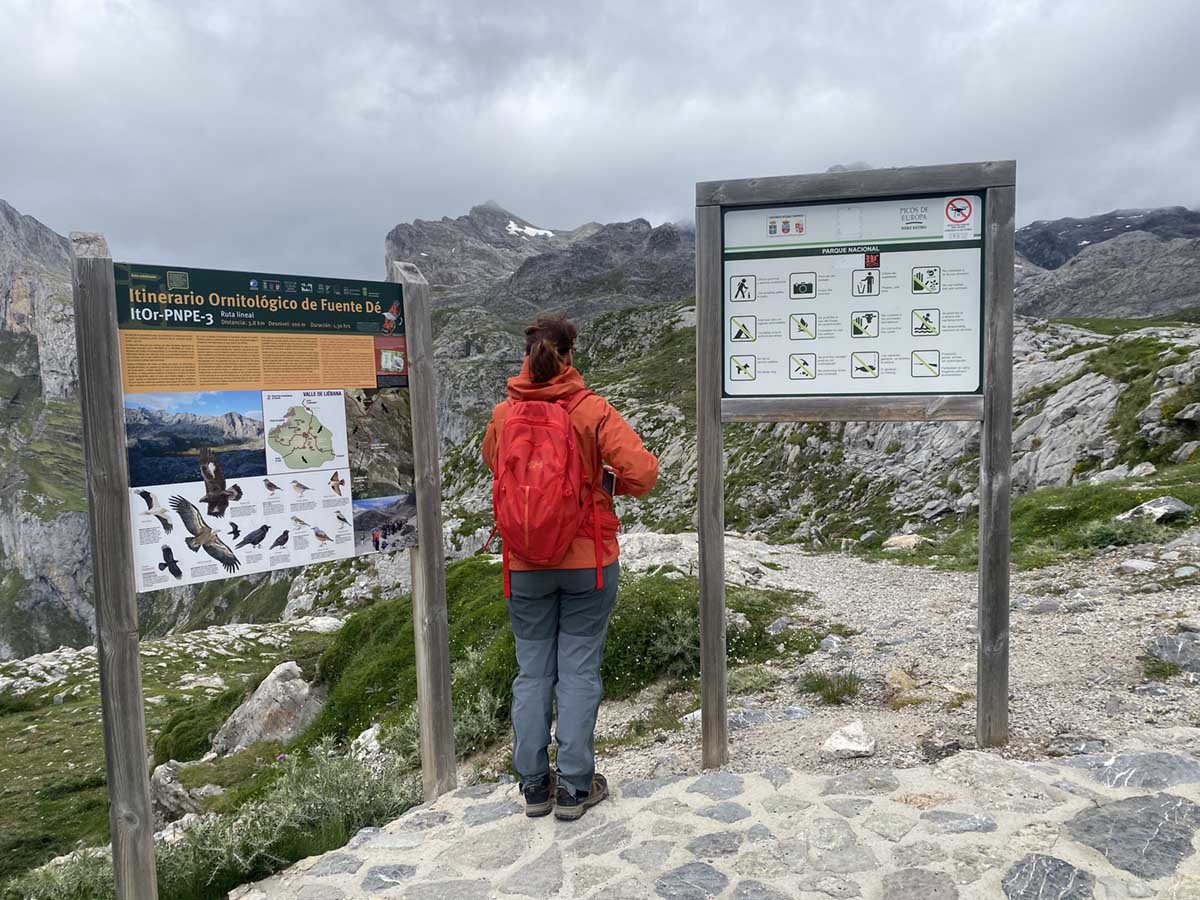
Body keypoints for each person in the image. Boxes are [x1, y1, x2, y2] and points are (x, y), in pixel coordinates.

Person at [483, 314, 658, 820]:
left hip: (524, 564)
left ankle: (535, 786)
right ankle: (577, 789)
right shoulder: (591, 411)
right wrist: (602, 486)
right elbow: (643, 474)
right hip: (589, 564)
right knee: (578, 670)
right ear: (570, 356)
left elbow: (496, 466)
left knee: (532, 671)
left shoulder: (502, 415)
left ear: (526, 356)